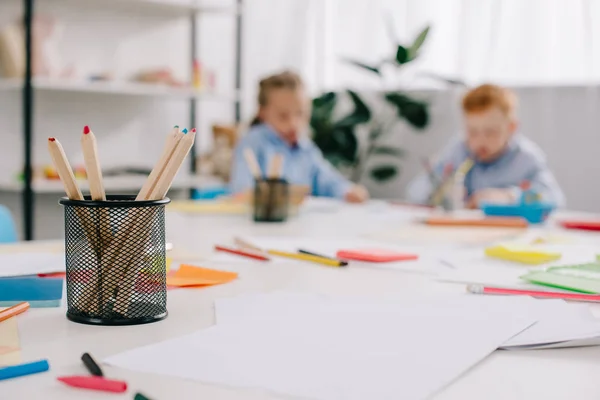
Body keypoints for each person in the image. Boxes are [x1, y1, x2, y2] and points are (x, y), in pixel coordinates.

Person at [406, 84, 565, 208]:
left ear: (511, 128)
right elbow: (413, 192)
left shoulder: (526, 158)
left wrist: (508, 197)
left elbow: (555, 199)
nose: (480, 141)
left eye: (491, 132)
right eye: (472, 132)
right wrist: (438, 189)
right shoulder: (459, 149)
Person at [229, 71, 369, 203]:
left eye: (301, 114)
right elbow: (241, 190)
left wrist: (348, 191)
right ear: (262, 112)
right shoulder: (253, 143)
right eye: (283, 116)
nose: (293, 124)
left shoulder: (305, 148)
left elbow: (328, 181)